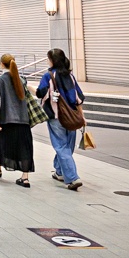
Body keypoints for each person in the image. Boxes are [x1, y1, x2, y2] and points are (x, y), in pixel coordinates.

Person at [37, 48, 86, 191]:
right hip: (72, 117)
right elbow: (78, 98)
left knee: (61, 147)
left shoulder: (48, 76)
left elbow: (41, 93)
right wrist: (82, 116)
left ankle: (72, 178)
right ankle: (59, 172)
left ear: (52, 60)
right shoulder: (70, 76)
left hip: (56, 117)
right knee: (67, 147)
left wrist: (31, 88)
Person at [0, 54, 34, 187]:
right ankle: (25, 178)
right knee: (24, 148)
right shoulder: (21, 79)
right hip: (23, 120)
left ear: (1, 64)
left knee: (0, 143)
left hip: (6, 119)